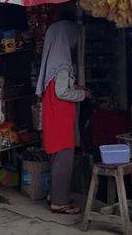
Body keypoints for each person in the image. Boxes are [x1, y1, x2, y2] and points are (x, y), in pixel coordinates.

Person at [35, 13, 90, 215]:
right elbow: (62, 91)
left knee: (56, 158)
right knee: (64, 160)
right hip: (61, 118)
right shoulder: (63, 65)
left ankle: (55, 194)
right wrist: (82, 94)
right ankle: (59, 202)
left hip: (53, 117)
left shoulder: (52, 63)